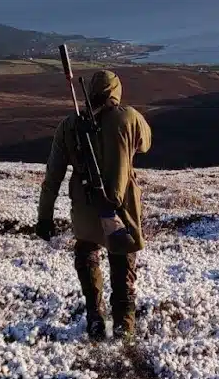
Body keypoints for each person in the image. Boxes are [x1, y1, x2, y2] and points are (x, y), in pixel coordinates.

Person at [36, 70, 153, 341]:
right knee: (122, 259)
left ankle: (95, 316)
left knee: (87, 253)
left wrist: (45, 217)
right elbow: (146, 143)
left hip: (85, 207)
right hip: (122, 205)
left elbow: (52, 176)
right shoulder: (129, 117)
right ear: (116, 91)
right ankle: (124, 323)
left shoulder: (69, 126)